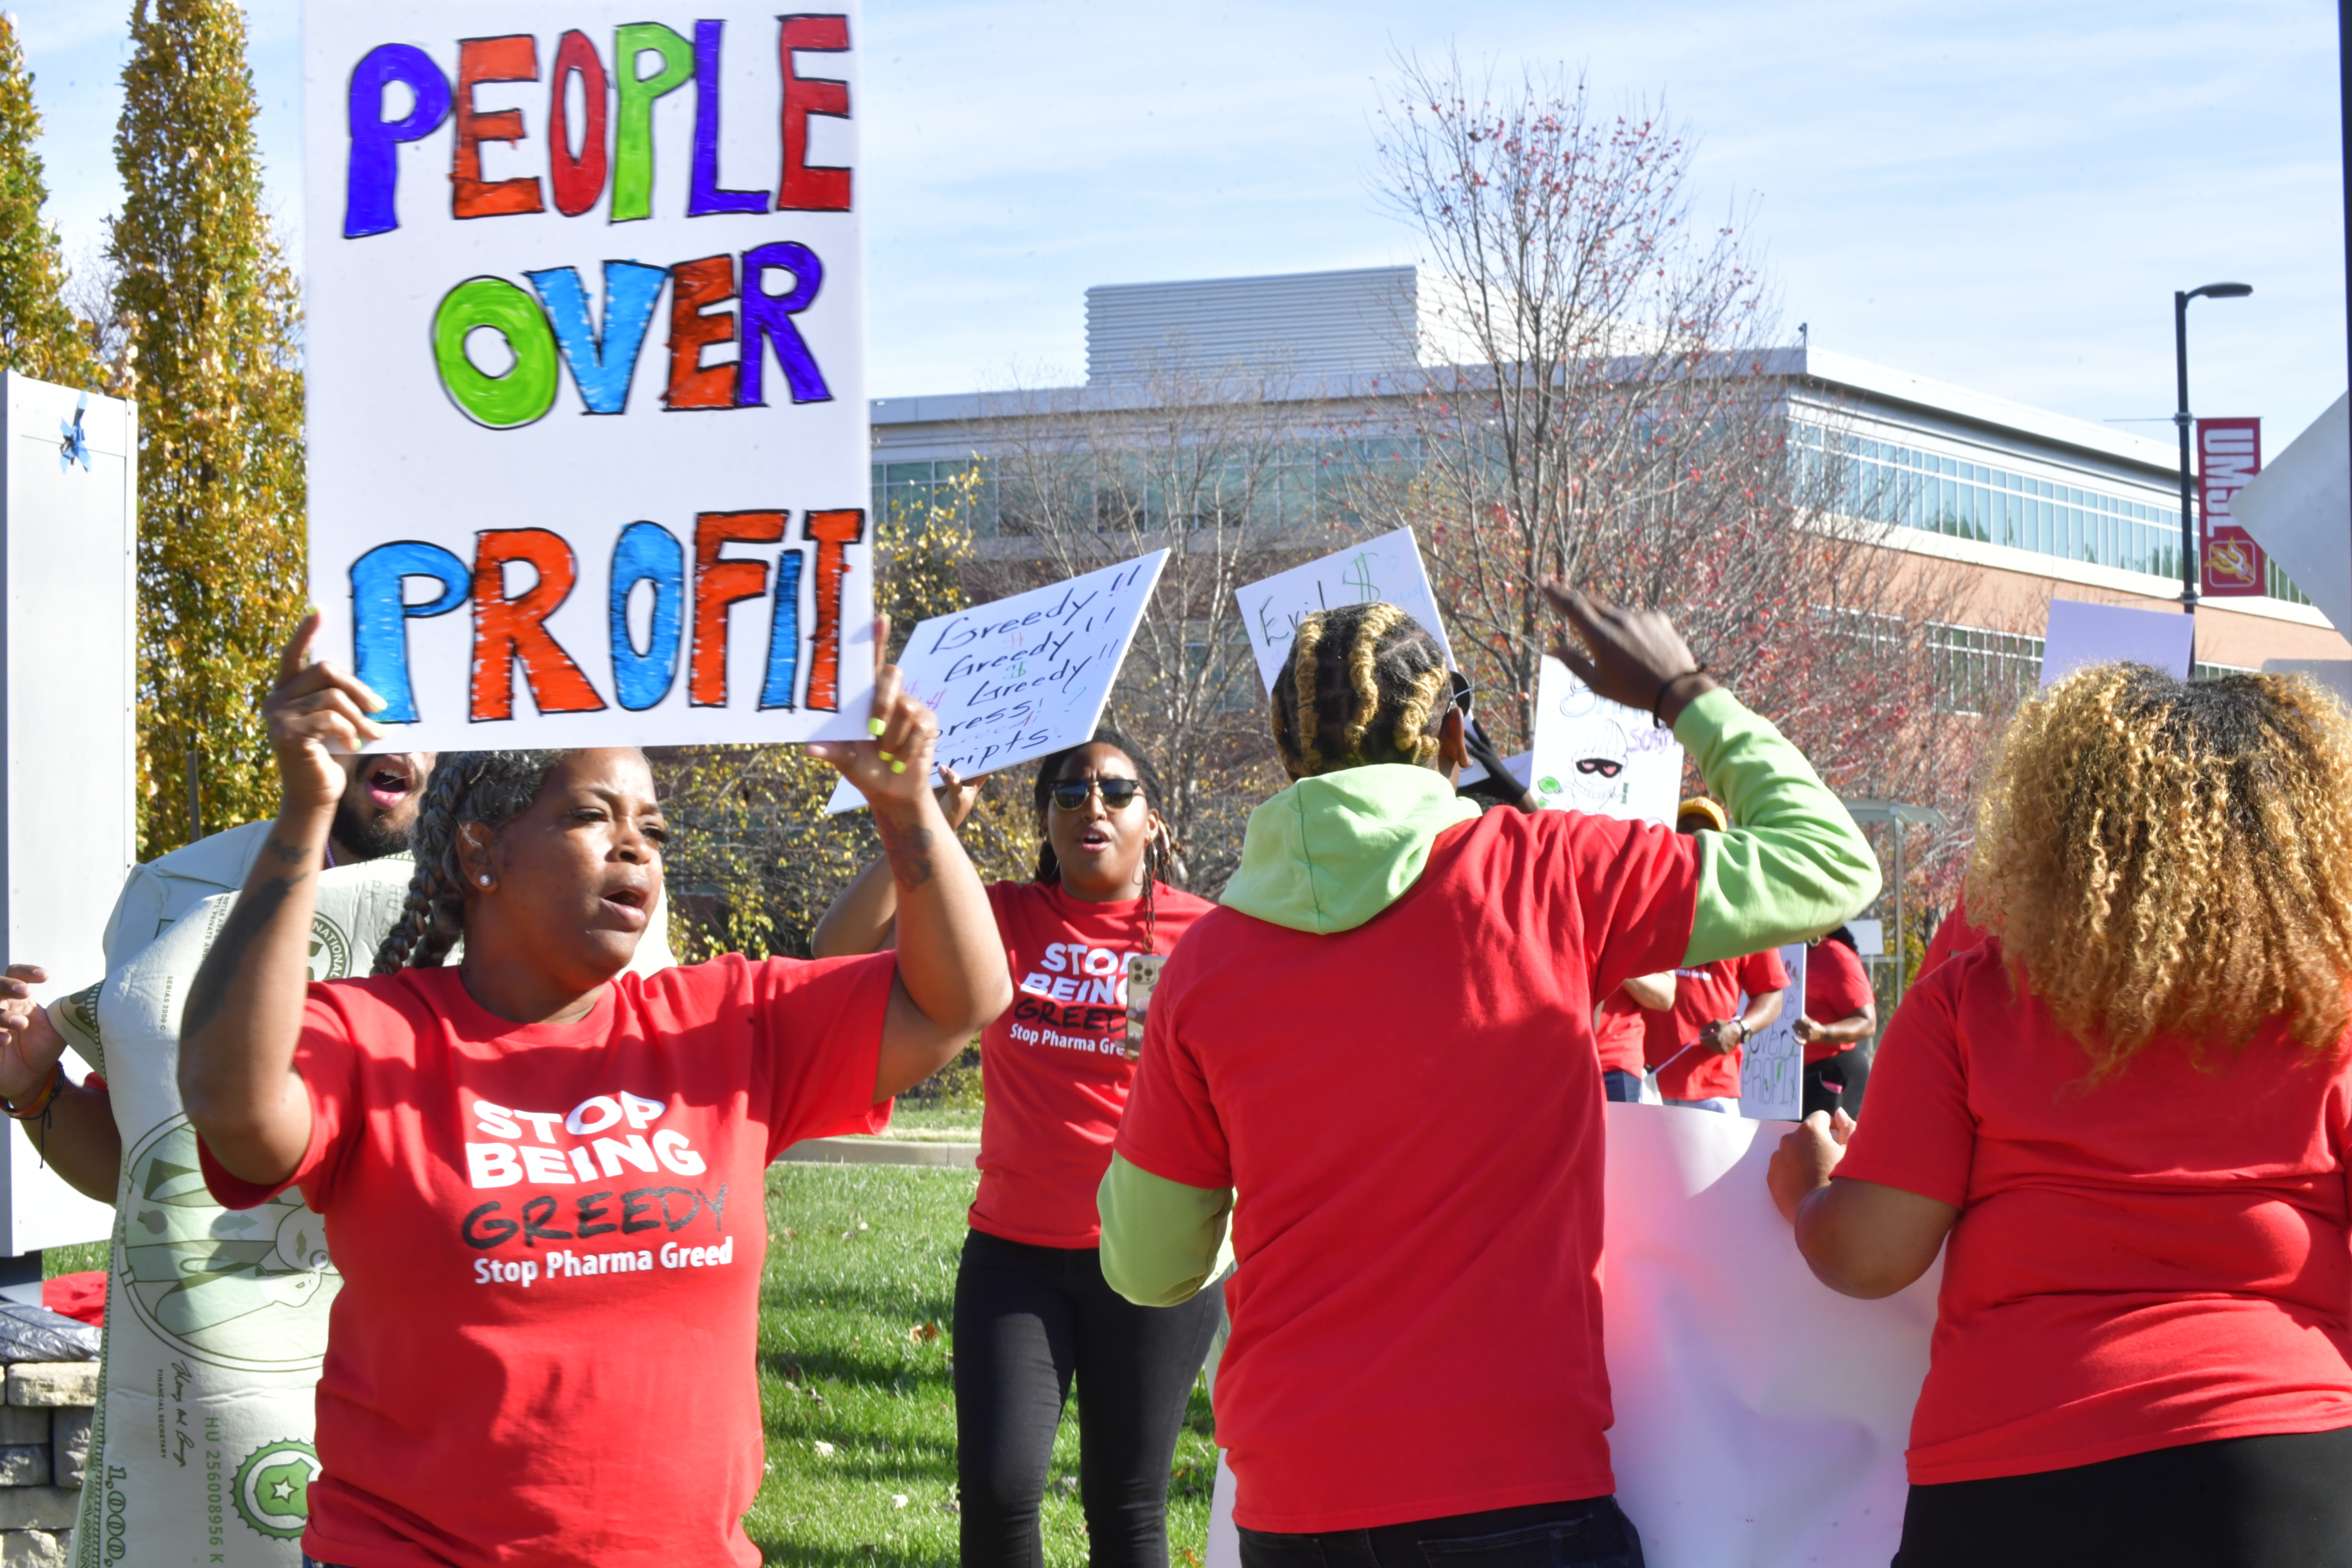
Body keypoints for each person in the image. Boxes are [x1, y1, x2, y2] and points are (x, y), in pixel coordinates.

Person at [179, 620, 1011, 1568]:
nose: (637, 848)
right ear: (480, 851)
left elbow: (961, 1000)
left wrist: (907, 811)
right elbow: (231, 1104)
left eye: (653, 829)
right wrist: (303, 812)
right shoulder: (375, 1033)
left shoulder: (726, 1019)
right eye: (593, 816)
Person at [1094, 591, 1878, 1567]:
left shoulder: (1205, 967)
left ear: (1286, 753)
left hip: (1296, 1498)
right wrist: (1683, 692)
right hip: (1516, 1485)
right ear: (1455, 734)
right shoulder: (1542, 869)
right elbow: (1830, 866)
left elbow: (1148, 1265)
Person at [1769, 663, 2352, 1568]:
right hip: (2284, 1462)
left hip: (2013, 1468)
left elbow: (1868, 1254)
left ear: (2056, 828)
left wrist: (1807, 1183)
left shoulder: (1970, 999)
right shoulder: (2334, 1015)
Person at [811, 724, 1221, 1568]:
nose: (1091, 805)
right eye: (1068, 793)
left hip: (1148, 1261)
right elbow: (835, 951)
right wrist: (924, 821)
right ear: (1044, 821)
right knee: (998, 1493)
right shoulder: (1001, 916)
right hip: (1015, 1257)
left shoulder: (1208, 935)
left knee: (1129, 1505)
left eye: (1115, 790)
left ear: (1154, 821)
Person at [1, 746, 436, 1201]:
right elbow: (143, 1164)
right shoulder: (178, 894)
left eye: (427, 720)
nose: (395, 738)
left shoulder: (499, 910)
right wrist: (36, 1086)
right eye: (369, 705)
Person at [1639, 797, 1788, 1112]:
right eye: (1688, 830)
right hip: (1640, 1082)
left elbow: (1772, 994)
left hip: (1712, 1089)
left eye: (1709, 834)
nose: (1698, 840)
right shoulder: (1646, 902)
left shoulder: (1744, 911)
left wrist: (1740, 1029)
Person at [1793, 926, 1876, 1118]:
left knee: (1825, 1148)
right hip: (1784, 1082)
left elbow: (1868, 1022)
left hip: (1829, 1075)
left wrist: (1823, 1033)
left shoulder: (1834, 955)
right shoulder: (1770, 954)